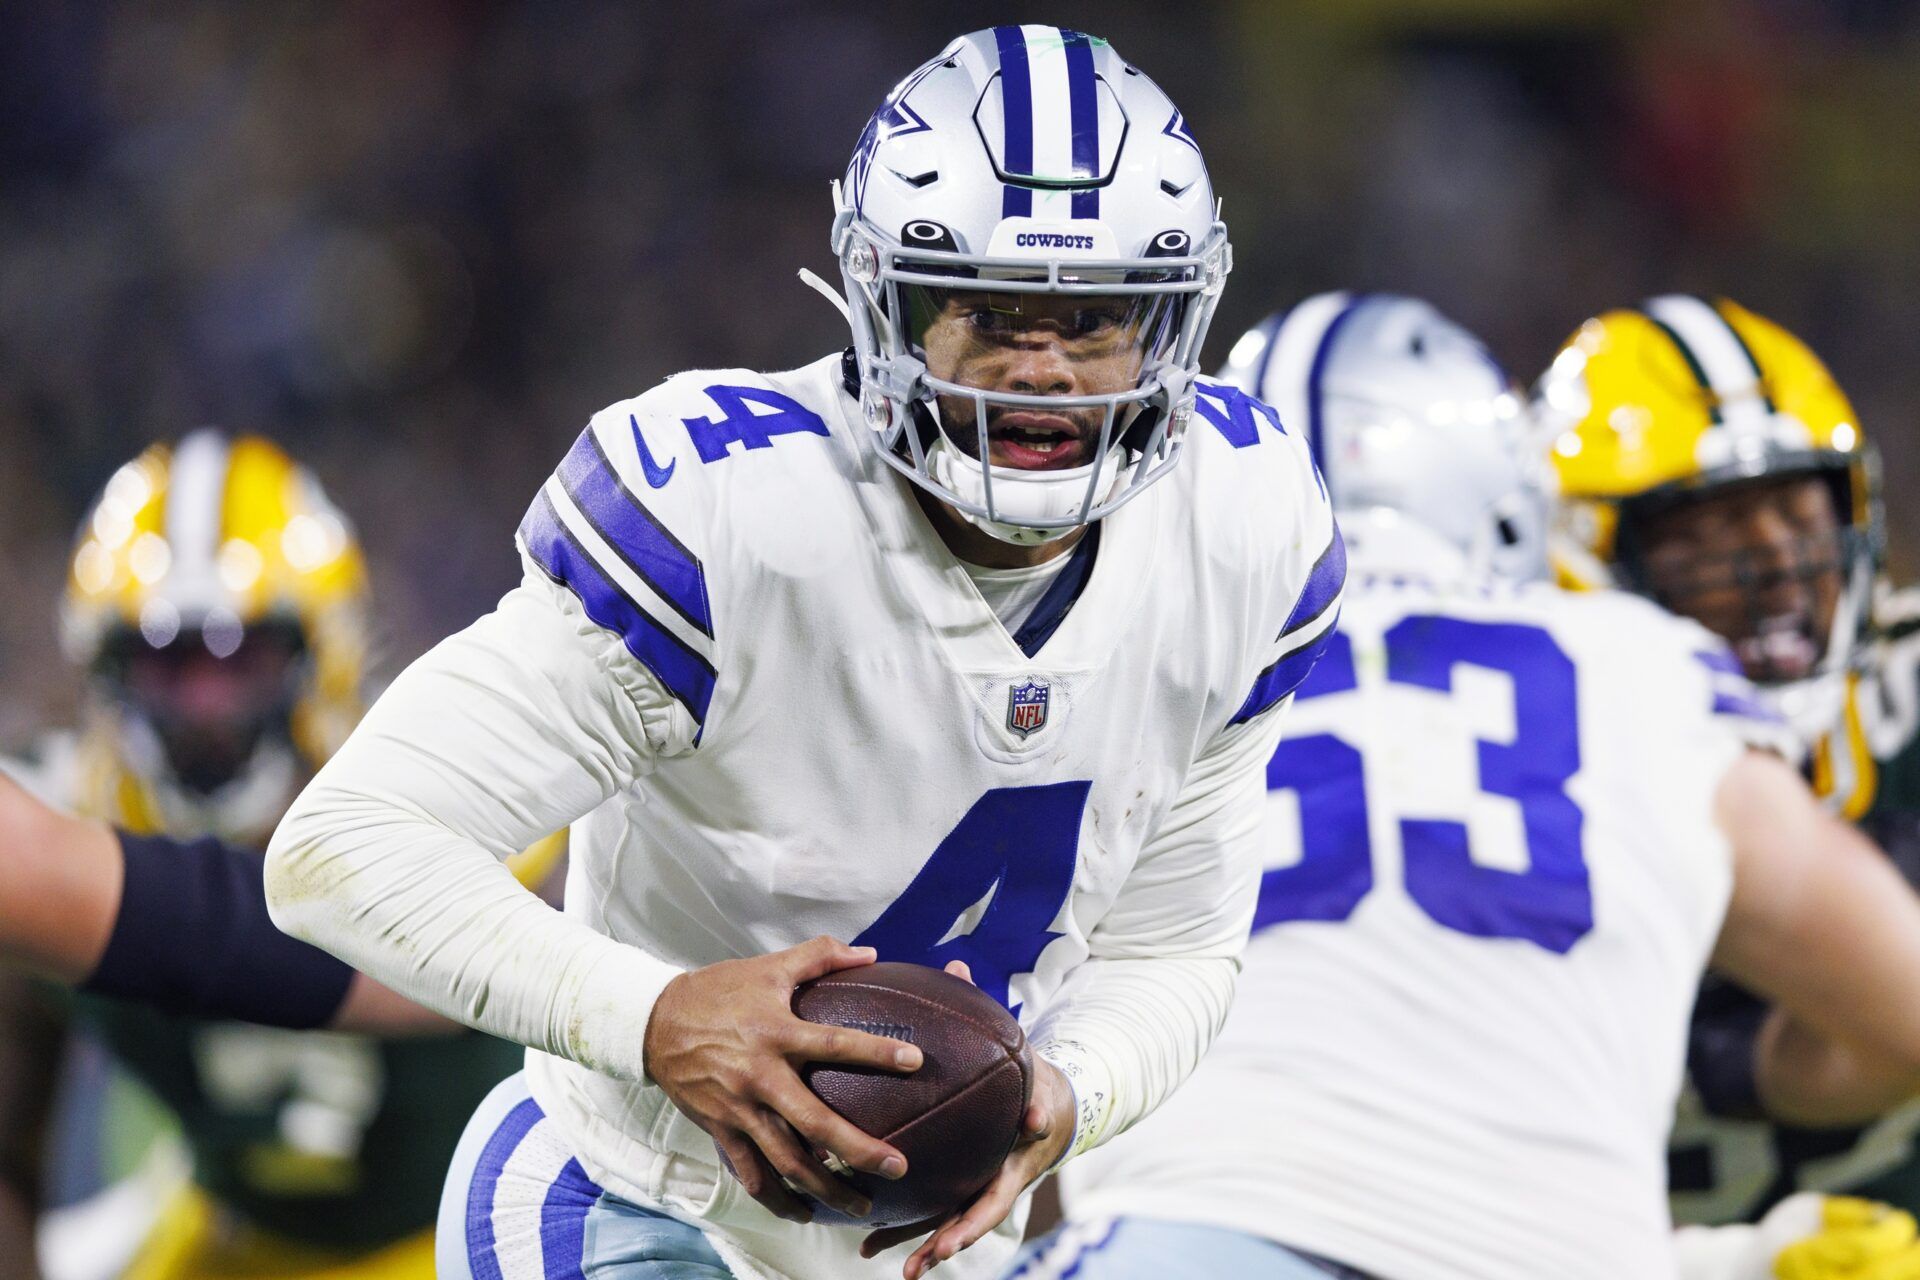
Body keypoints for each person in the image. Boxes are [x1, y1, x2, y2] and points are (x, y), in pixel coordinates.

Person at [264, 25, 1341, 1280]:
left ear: (1173, 328)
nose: (1042, 369)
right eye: (987, 314)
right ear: (884, 304)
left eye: (1097, 319)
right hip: (637, 1198)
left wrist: (1073, 1090)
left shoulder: (1245, 528)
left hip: (931, 1248)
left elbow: (1174, 944)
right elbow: (343, 844)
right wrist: (656, 1015)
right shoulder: (734, 512)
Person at [1024, 293, 1920, 1280]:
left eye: (1794, 517)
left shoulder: (1096, 673)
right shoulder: (1652, 672)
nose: (1768, 580)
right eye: (1698, 545)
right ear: (1521, 507)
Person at [0, 433, 546, 1279]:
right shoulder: (59, 821)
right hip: (232, 1232)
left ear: (322, 653)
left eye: (235, 661)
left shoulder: (462, 795)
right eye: (164, 666)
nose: (203, 712)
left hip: (466, 1230)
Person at [1534, 297, 1920, 1226]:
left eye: (1797, 509)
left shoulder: (1902, 697)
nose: (1778, 564)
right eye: (1711, 529)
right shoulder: (1523, 771)